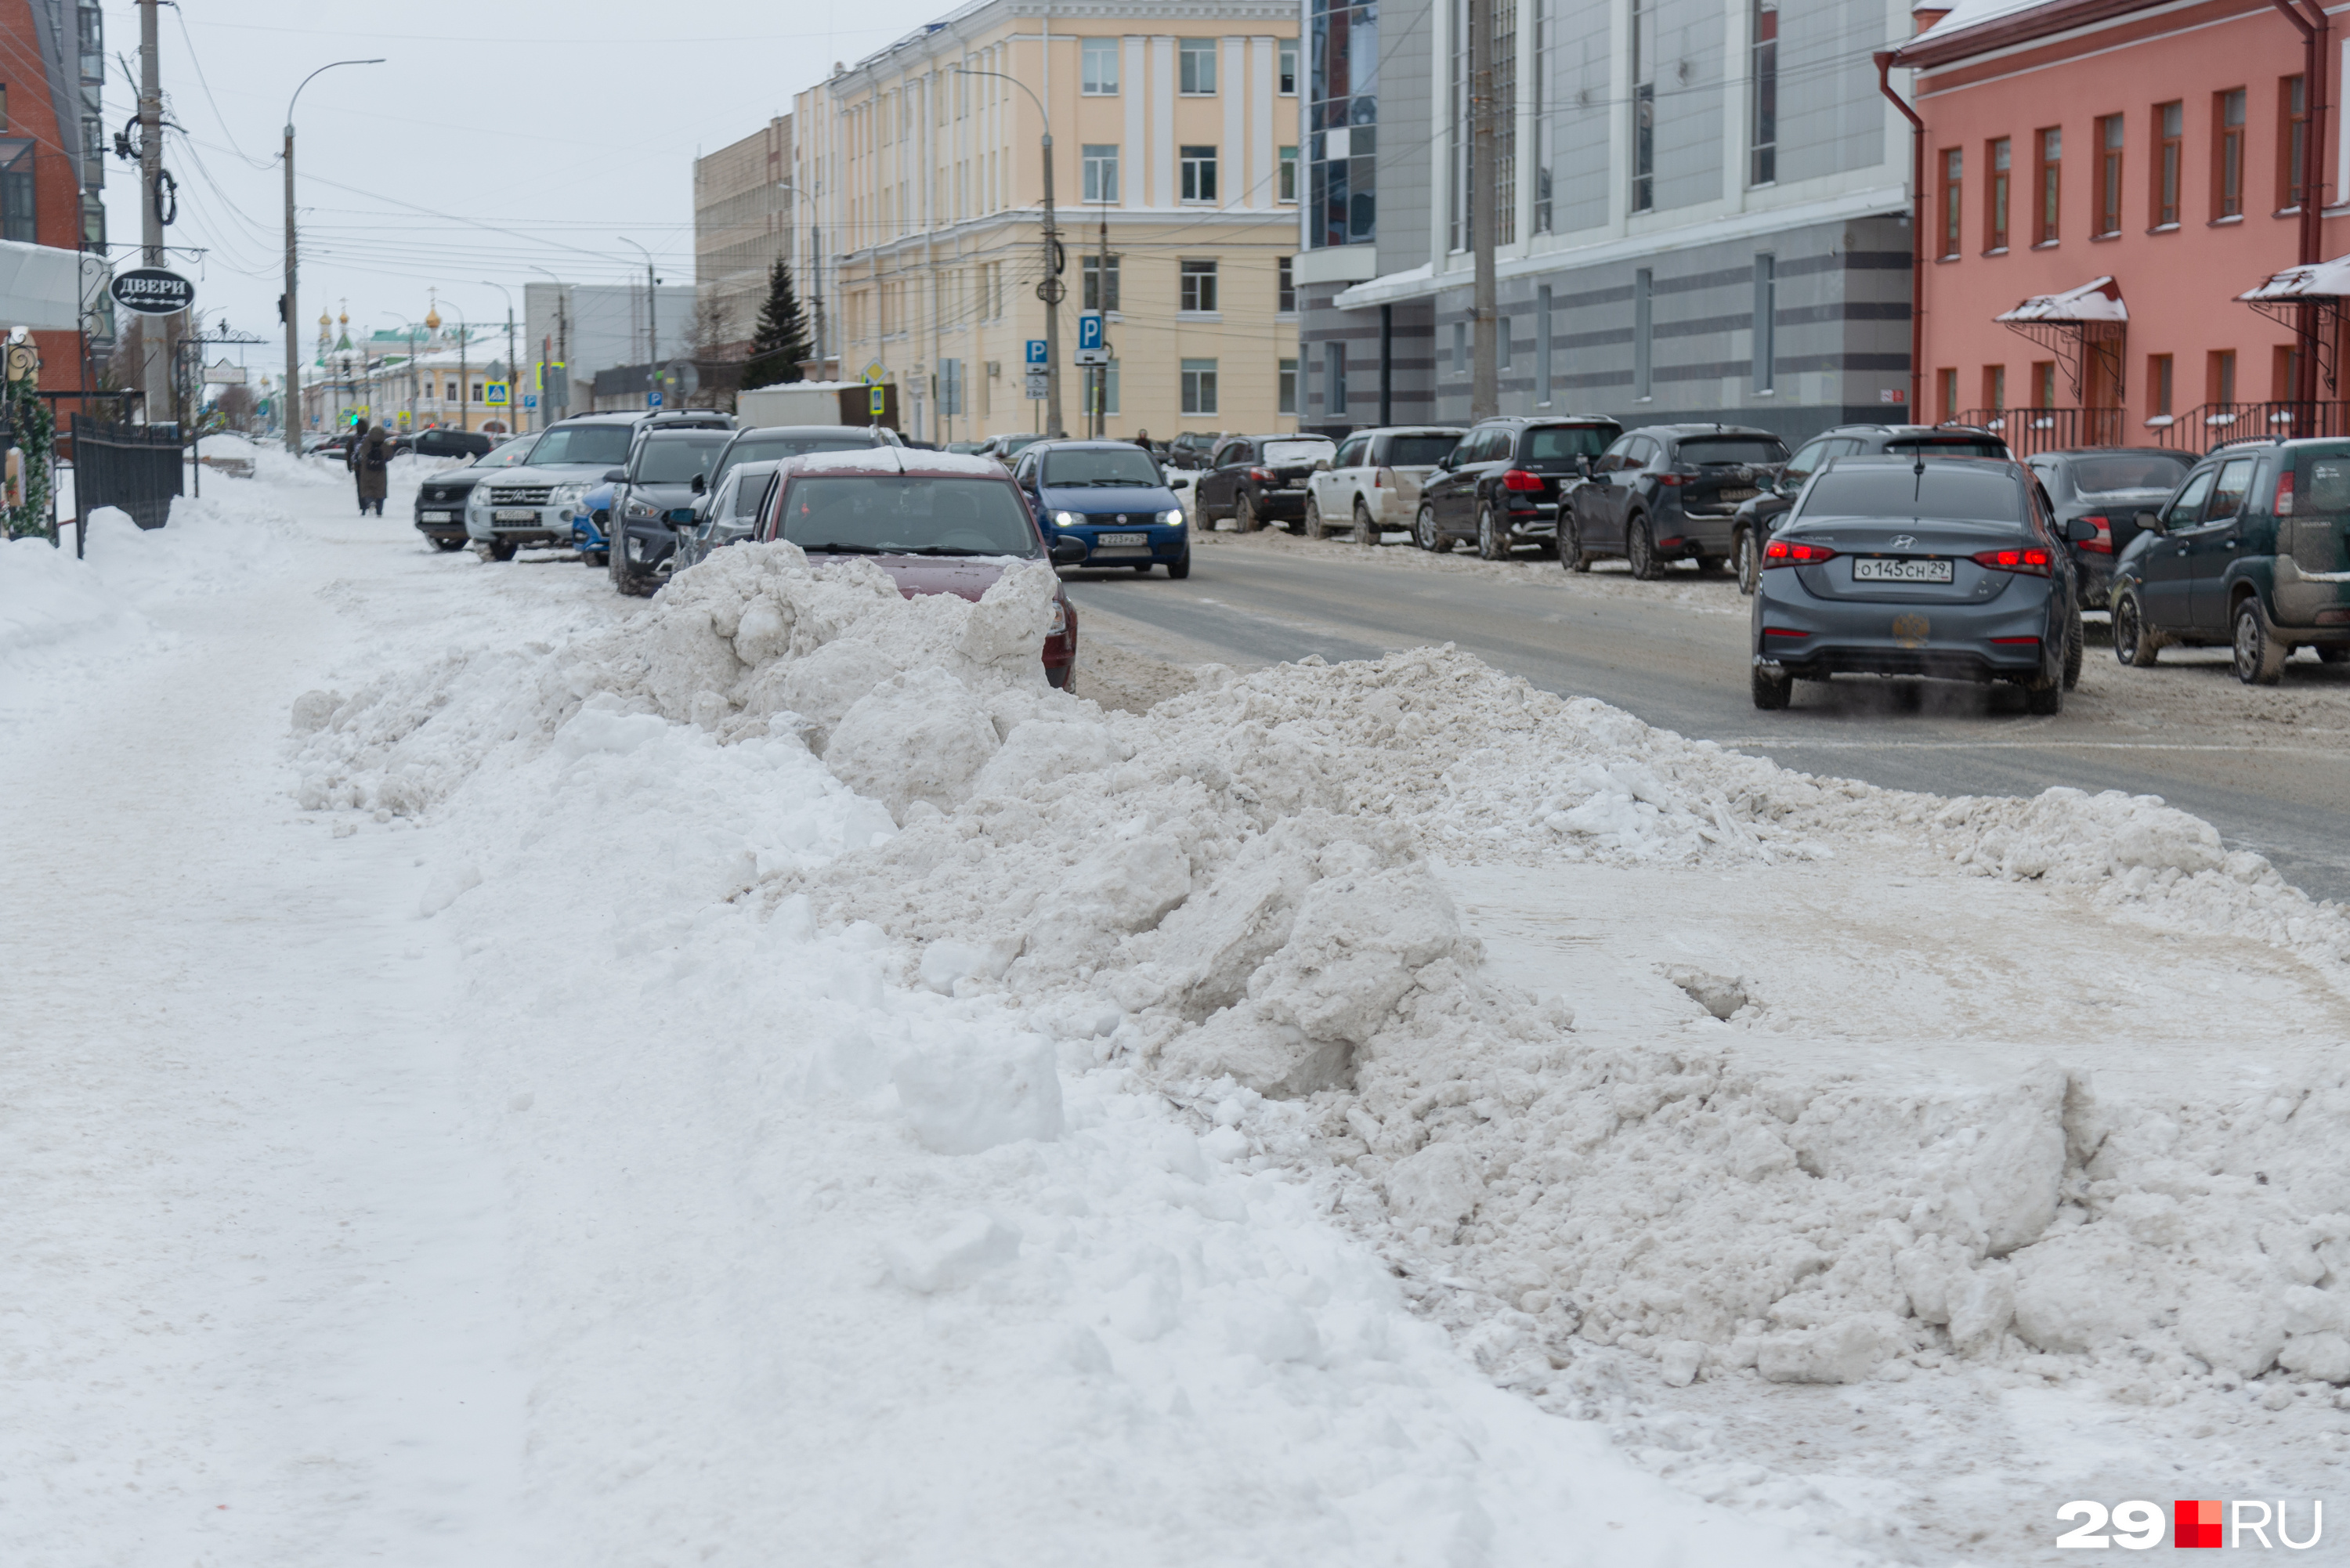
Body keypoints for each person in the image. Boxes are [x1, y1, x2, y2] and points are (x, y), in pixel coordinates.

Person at [349, 421, 393, 515]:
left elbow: (361, 453)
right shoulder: (384, 444)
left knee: (367, 488)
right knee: (380, 490)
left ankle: (367, 505)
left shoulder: (366, 443)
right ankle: (379, 510)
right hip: (380, 471)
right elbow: (390, 456)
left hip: (367, 470)